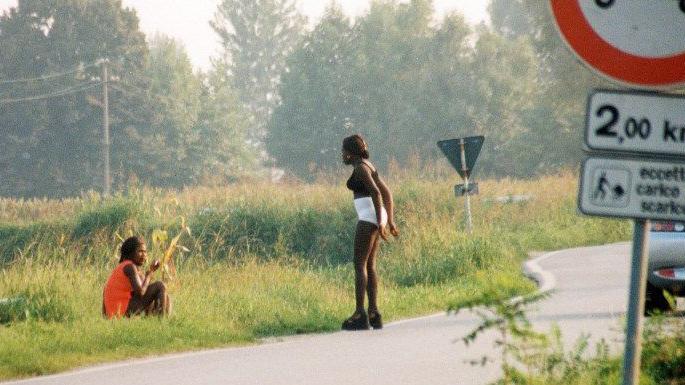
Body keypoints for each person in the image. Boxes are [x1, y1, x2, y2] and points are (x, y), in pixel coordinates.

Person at [341, 134, 399, 330]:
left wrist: (381, 223)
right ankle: (374, 312)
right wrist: (388, 220)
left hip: (368, 216)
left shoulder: (360, 167)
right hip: (376, 215)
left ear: (350, 153)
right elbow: (387, 193)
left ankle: (360, 314)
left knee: (359, 265)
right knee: (370, 265)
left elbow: (375, 191)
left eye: (343, 151)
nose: (342, 155)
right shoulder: (369, 165)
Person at [102, 236, 170, 318]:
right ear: (130, 253)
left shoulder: (123, 267)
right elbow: (141, 292)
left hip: (115, 312)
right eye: (140, 251)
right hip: (120, 311)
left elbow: (145, 289)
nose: (144, 255)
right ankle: (161, 323)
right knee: (160, 285)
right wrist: (149, 274)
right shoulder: (130, 267)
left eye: (145, 252)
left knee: (165, 296)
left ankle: (154, 322)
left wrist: (150, 271)